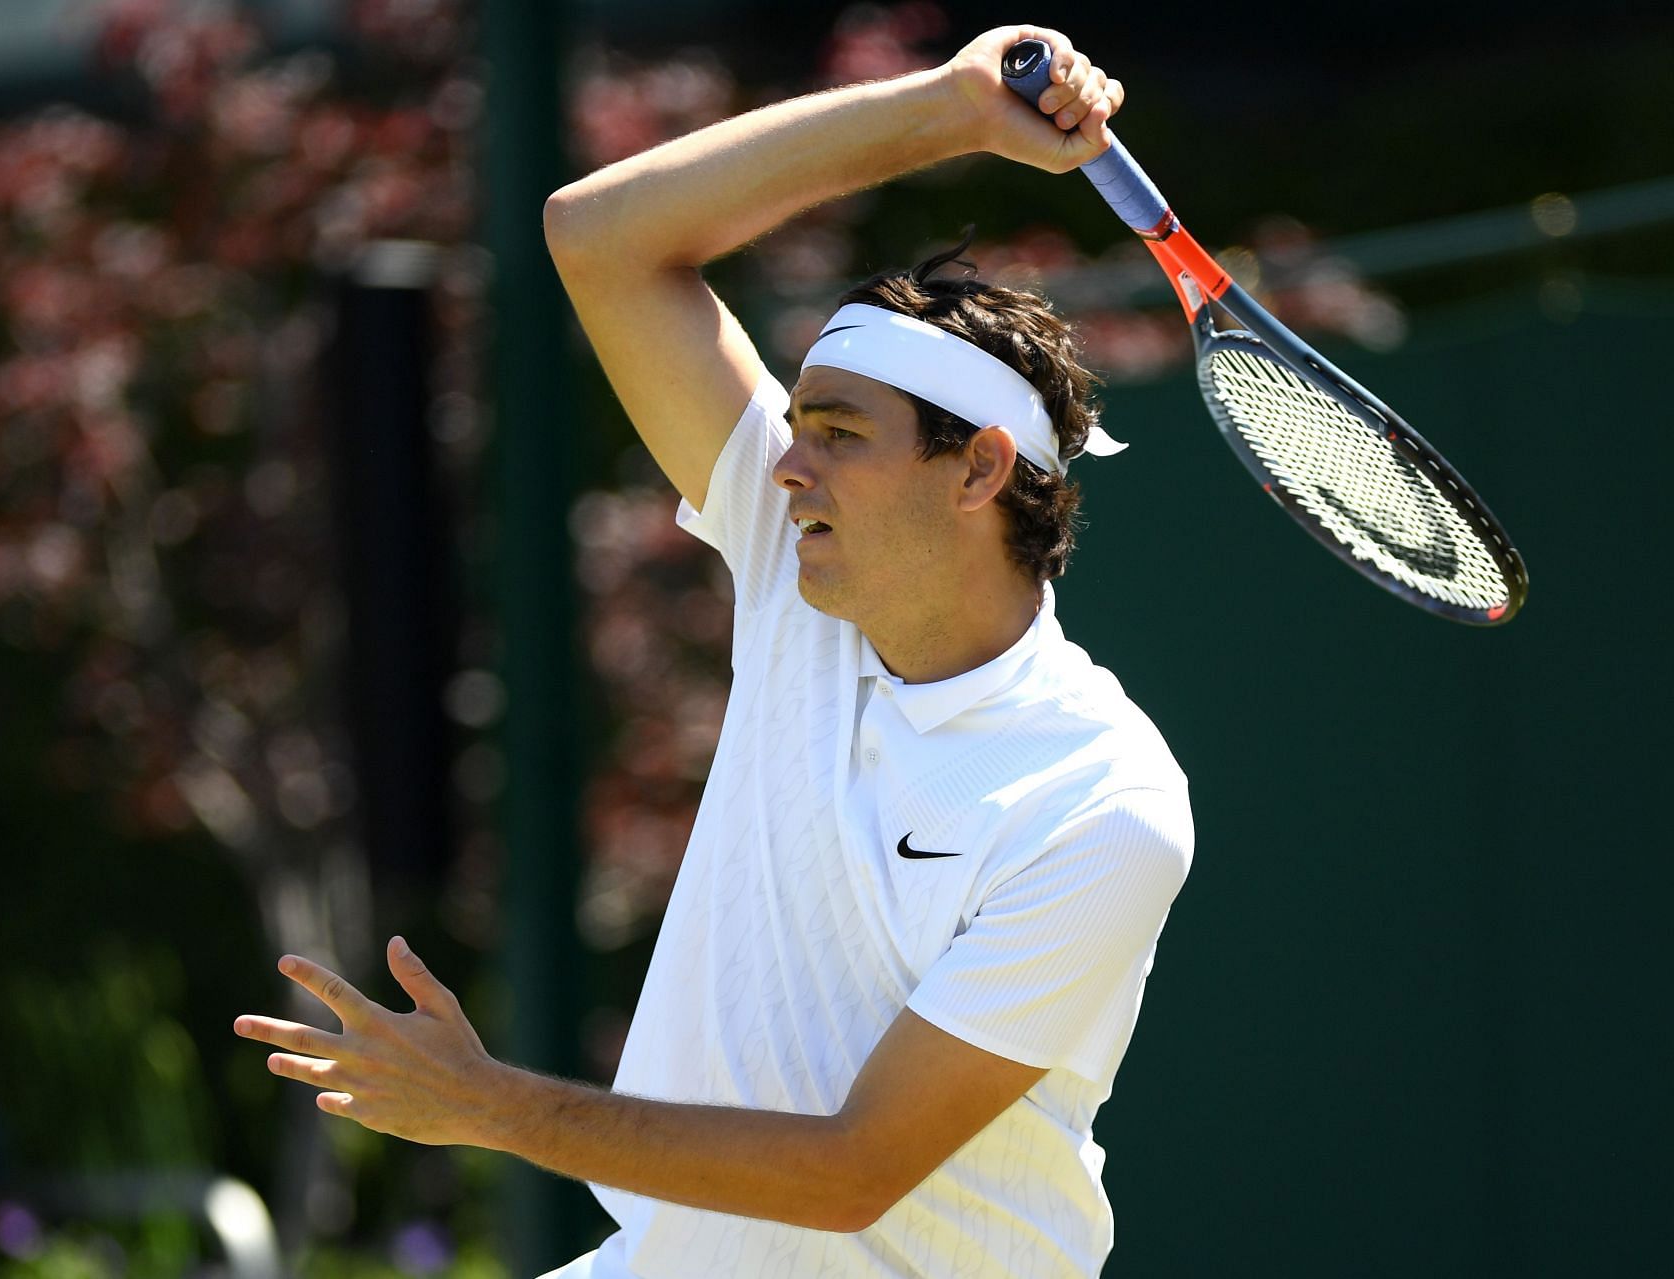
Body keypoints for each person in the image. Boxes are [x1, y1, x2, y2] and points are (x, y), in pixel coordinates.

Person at [235, 23, 1192, 1279]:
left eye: (840, 432)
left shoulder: (1102, 804)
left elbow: (851, 1169)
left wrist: (488, 1105)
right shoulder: (804, 571)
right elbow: (601, 237)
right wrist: (949, 112)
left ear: (980, 469)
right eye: (794, 427)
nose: (787, 464)